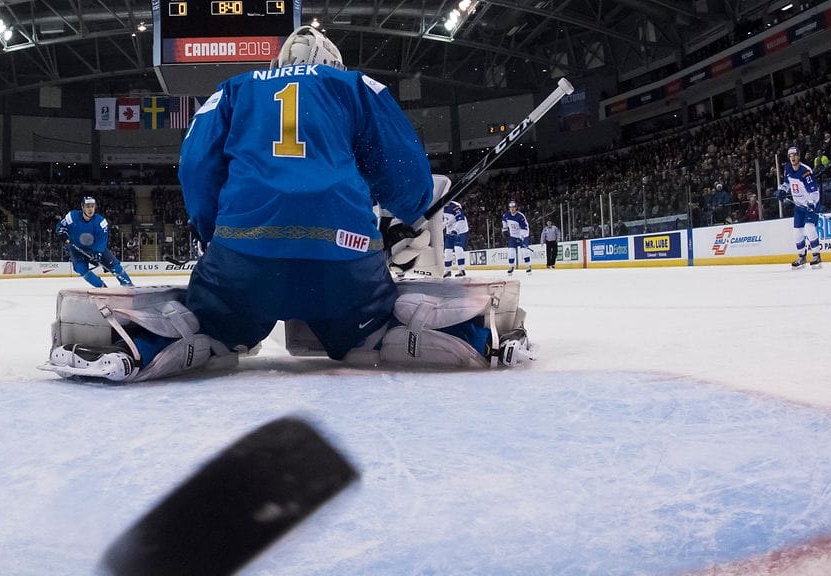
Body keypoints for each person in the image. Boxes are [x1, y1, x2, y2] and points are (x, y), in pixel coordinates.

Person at [45, 26, 533, 381]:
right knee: (369, 333)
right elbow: (403, 171)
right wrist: (410, 214)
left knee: (215, 325)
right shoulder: (355, 85)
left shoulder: (232, 90)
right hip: (341, 264)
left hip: (244, 260)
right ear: (331, 62)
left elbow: (195, 167)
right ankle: (473, 333)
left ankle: (146, 341)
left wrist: (214, 236)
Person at [55, 196, 134, 288]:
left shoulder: (101, 222)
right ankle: (101, 287)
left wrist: (97, 253)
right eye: (87, 206)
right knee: (81, 269)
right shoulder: (72, 216)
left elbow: (102, 241)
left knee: (115, 266)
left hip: (96, 249)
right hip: (77, 250)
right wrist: (62, 234)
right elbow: (61, 226)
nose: (90, 209)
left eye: (92, 206)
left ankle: (128, 285)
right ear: (82, 207)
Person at [779, 146, 822, 269]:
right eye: (790, 155)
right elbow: (787, 183)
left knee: (809, 228)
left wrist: (811, 203)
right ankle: (802, 256)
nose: (793, 157)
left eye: (795, 155)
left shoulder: (805, 171)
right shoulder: (787, 168)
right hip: (798, 205)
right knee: (797, 232)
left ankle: (816, 255)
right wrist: (782, 190)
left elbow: (814, 191)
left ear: (799, 156)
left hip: (811, 204)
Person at [502, 201, 531, 275]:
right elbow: (504, 222)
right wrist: (504, 230)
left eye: (513, 207)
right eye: (511, 207)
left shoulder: (520, 216)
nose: (512, 209)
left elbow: (525, 228)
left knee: (524, 250)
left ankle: (528, 265)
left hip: (523, 235)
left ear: (516, 208)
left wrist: (521, 237)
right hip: (513, 236)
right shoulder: (506, 215)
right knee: (511, 251)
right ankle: (511, 266)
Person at [442, 200, 469, 277]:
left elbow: (461, 220)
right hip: (449, 231)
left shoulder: (455, 206)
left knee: (458, 248)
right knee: (447, 251)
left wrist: (455, 230)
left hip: (461, 230)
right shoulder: (440, 208)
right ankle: (448, 271)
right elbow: (445, 221)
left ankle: (461, 270)